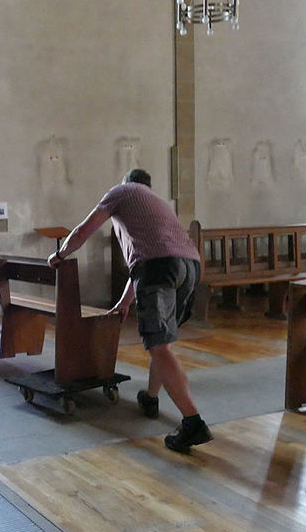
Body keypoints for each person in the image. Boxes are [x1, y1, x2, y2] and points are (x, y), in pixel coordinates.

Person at [47, 168, 212, 452]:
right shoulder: (158, 202)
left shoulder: (121, 191)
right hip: (190, 267)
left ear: (128, 183)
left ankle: (193, 421)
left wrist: (60, 254)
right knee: (163, 344)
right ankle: (150, 397)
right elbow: (149, 259)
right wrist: (125, 302)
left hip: (159, 268)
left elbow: (85, 229)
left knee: (159, 347)